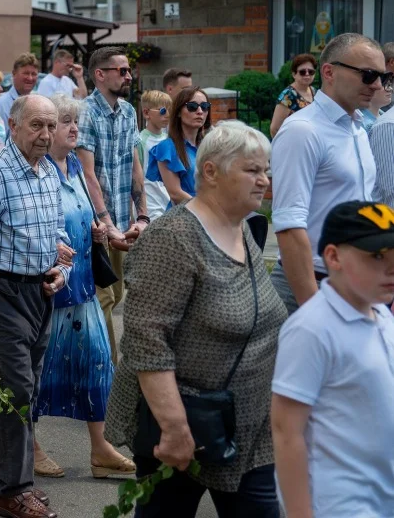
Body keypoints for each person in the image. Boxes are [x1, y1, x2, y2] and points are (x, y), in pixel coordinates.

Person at [105, 120, 287, 518]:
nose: (264, 181)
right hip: (189, 429)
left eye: (266, 170)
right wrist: (173, 428)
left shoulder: (241, 227)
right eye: (252, 170)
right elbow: (146, 341)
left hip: (249, 429)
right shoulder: (173, 237)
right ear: (211, 171)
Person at [0, 94, 68, 518]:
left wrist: (63, 270)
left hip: (41, 292)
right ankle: (13, 490)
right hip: (1, 293)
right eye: (37, 126)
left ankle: (8, 476)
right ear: (13, 125)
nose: (46, 134)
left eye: (51, 126)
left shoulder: (49, 172)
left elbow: (59, 236)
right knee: (15, 391)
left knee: (29, 388)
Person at [272, 200, 394, 518]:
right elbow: (287, 432)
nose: (391, 268)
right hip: (341, 504)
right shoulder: (312, 328)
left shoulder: (381, 314)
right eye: (377, 257)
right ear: (333, 256)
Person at [35, 94, 134, 481]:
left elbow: (82, 213)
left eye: (75, 121)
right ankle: (30, 447)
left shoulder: (73, 164)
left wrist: (96, 230)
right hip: (52, 290)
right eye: (65, 122)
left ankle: (101, 448)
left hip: (84, 287)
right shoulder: (38, 170)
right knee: (41, 376)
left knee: (97, 365)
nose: (74, 128)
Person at [271, 33, 386, 314]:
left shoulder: (358, 128)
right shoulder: (303, 130)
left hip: (350, 282)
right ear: (329, 72)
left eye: (385, 77)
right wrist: (314, 310)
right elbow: (288, 224)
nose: (378, 86)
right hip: (311, 284)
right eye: (369, 75)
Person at [78, 47, 148, 365]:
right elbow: (87, 173)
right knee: (104, 298)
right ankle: (109, 371)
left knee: (117, 294)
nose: (129, 76)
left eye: (128, 70)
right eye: (122, 70)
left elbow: (135, 166)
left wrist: (142, 213)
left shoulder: (129, 112)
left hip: (123, 217)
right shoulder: (85, 113)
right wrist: (106, 223)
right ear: (100, 74)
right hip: (96, 226)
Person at [147, 87, 211, 207]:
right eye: (192, 106)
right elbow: (175, 193)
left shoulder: (209, 147)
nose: (200, 111)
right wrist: (206, 210)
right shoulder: (167, 147)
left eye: (205, 106)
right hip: (183, 218)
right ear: (178, 112)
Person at [138, 90, 172, 221]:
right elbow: (136, 177)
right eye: (163, 111)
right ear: (147, 113)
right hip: (150, 207)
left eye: (170, 110)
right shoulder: (140, 141)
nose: (167, 115)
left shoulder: (169, 139)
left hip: (168, 203)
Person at [269, 54, 317, 138]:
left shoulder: (314, 91)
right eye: (302, 72)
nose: (307, 74)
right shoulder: (288, 95)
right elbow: (274, 129)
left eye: (311, 71)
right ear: (294, 74)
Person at [0, 52, 40, 126]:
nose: (30, 78)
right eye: (26, 73)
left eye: (34, 74)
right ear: (14, 74)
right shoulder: (1, 105)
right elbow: (0, 137)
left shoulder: (39, 103)